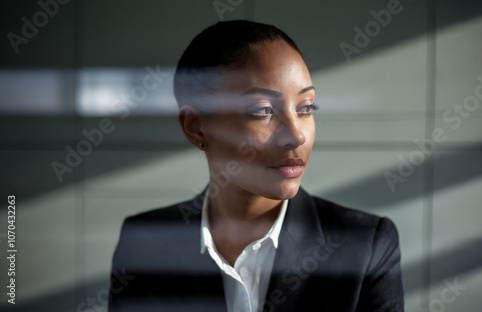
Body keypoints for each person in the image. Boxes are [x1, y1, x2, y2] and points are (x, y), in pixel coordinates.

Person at [108, 20, 404, 312]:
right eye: (263, 110)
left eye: (306, 108)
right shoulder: (145, 243)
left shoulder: (367, 245)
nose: (296, 135)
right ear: (196, 127)